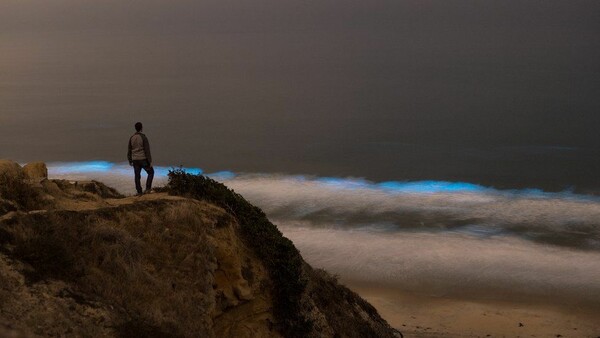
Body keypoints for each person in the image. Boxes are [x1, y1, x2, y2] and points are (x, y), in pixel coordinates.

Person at [127, 122, 154, 196]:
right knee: (151, 172)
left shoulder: (132, 137)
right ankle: (148, 189)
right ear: (141, 128)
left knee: (137, 176)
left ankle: (139, 192)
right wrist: (150, 161)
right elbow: (147, 150)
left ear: (135, 128)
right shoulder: (143, 137)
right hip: (143, 159)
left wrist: (130, 160)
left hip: (135, 159)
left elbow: (129, 149)